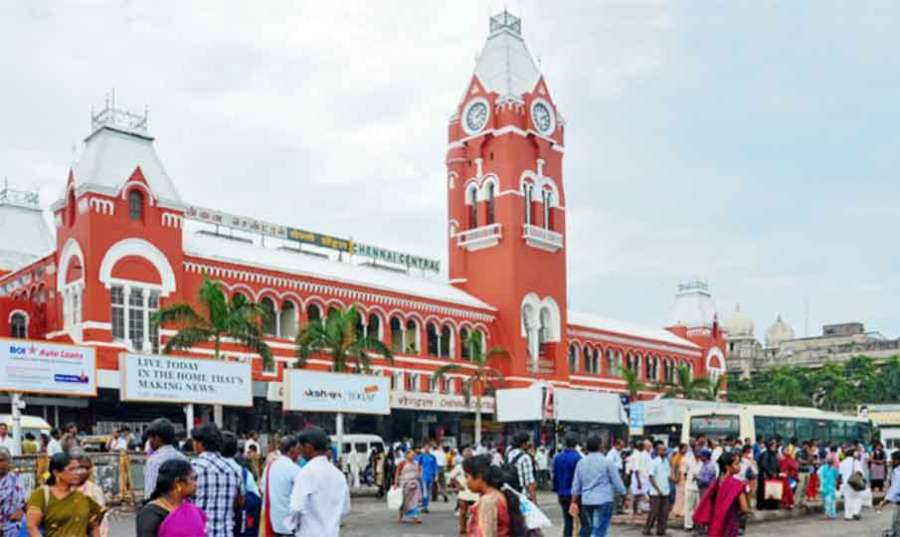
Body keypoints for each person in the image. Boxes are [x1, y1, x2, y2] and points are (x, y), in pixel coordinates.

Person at [285, 426, 350, 537]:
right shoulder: (339, 475)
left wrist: (290, 526)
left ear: (308, 447)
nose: (298, 450)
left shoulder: (305, 473)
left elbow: (296, 508)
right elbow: (345, 509)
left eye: (300, 446)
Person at [25, 451, 102, 537]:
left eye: (77, 469)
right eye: (71, 469)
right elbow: (31, 526)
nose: (77, 473)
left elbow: (94, 527)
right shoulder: (42, 494)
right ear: (56, 472)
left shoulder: (83, 496)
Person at [190, 423, 243, 537]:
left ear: (199, 443)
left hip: (198, 533)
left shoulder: (192, 468)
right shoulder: (234, 471)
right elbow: (239, 502)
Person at [569, 434, 626, 537]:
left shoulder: (581, 463)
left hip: (587, 500)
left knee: (591, 528)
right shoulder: (607, 462)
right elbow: (617, 482)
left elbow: (576, 485)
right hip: (604, 500)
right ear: (601, 446)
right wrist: (624, 494)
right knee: (600, 530)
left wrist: (573, 501)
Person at [136, 458, 205, 537]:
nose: (195, 484)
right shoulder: (150, 513)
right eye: (193, 479)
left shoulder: (190, 509)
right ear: (178, 483)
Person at [463, 454, 527, 537]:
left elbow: (487, 534)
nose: (466, 482)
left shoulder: (488, 501)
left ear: (479, 477)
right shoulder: (499, 495)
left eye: (467, 477)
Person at [692, 451, 750, 537]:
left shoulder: (717, 482)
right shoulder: (737, 484)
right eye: (736, 464)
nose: (739, 466)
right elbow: (744, 508)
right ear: (727, 467)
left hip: (715, 522)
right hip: (729, 523)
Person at [262, 434, 302, 536]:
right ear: (292, 449)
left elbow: (263, 489)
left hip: (274, 523)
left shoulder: (269, 467)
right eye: (298, 449)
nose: (300, 452)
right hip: (290, 526)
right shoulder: (294, 469)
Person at [143, 418, 188, 502]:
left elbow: (150, 493)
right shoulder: (184, 459)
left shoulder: (154, 461)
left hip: (161, 510)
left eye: (150, 438)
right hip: (182, 509)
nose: (150, 442)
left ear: (157, 438)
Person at [553, 433, 589, 537]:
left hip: (562, 494)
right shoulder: (578, 458)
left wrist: (557, 491)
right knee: (586, 524)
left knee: (568, 522)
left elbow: (555, 477)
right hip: (576, 495)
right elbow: (581, 479)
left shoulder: (558, 458)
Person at [448, 448, 479, 536]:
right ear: (463, 457)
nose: (468, 458)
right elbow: (451, 477)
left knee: (476, 513)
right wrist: (458, 486)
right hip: (464, 493)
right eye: (466, 456)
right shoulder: (459, 467)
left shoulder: (476, 467)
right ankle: (462, 530)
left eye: (470, 456)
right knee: (463, 513)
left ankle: (474, 530)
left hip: (475, 493)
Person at [644, 440, 671, 537]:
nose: (664, 452)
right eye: (662, 450)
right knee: (654, 512)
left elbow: (668, 475)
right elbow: (651, 477)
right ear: (657, 451)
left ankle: (661, 531)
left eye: (665, 450)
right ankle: (647, 529)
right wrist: (658, 489)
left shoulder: (666, 462)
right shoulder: (654, 462)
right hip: (655, 492)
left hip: (665, 490)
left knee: (664, 513)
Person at [0, 447, 25, 537]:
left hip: (11, 523)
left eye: (2, 460)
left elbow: (22, 503)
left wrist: (21, 511)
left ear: (9, 462)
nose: (0, 464)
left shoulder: (15, 478)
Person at [506, 432, 537, 502]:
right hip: (522, 496)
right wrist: (534, 502)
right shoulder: (525, 457)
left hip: (510, 495)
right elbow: (529, 482)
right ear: (523, 444)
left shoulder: (508, 454)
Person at [395, 449, 423, 523]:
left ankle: (415, 517)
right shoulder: (402, 463)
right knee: (403, 501)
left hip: (415, 485)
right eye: (411, 454)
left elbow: (419, 472)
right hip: (404, 484)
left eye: (414, 455)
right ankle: (401, 517)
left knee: (414, 501)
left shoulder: (416, 463)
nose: (413, 456)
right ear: (407, 455)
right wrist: (395, 484)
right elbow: (397, 473)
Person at [876, 451, 900, 536]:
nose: (889, 461)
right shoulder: (895, 471)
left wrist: (883, 502)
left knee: (897, 523)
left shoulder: (897, 472)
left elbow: (895, 490)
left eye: (892, 459)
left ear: (897, 461)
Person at [627, 440, 651, 522]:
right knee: (636, 495)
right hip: (638, 478)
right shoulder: (636, 455)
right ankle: (635, 511)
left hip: (643, 477)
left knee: (641, 494)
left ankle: (639, 509)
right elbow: (636, 469)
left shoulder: (642, 454)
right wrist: (638, 481)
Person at [839, 447, 864, 521]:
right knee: (857, 498)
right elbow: (860, 472)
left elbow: (840, 474)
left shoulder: (843, 462)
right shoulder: (855, 461)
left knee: (848, 499)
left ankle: (848, 515)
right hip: (855, 482)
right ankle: (855, 513)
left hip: (846, 482)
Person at [756, 440, 780, 510]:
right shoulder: (766, 454)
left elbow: (776, 465)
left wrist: (778, 472)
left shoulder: (773, 454)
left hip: (771, 475)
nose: (775, 447)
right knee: (764, 491)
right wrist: (771, 473)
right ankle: (763, 505)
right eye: (773, 446)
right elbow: (764, 465)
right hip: (765, 475)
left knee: (771, 491)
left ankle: (771, 505)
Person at [416, 444, 438, 513]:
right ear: (423, 449)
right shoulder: (421, 457)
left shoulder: (433, 457)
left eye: (428, 448)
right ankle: (425, 506)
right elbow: (418, 465)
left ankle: (425, 505)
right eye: (425, 448)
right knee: (425, 491)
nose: (427, 449)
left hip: (430, 476)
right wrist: (418, 473)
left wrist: (436, 475)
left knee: (428, 491)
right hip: (423, 476)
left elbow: (435, 466)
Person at [817, 453, 839, 520]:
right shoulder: (824, 468)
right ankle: (830, 514)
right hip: (825, 487)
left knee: (829, 501)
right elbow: (818, 474)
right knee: (827, 501)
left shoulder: (833, 469)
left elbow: (836, 478)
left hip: (830, 487)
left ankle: (829, 514)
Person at [670, 443, 687, 518]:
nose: (686, 450)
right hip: (679, 477)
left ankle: (681, 510)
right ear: (680, 449)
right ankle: (678, 511)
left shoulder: (684, 456)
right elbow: (674, 468)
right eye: (684, 448)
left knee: (683, 495)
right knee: (679, 495)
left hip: (684, 477)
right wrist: (675, 477)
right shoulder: (677, 456)